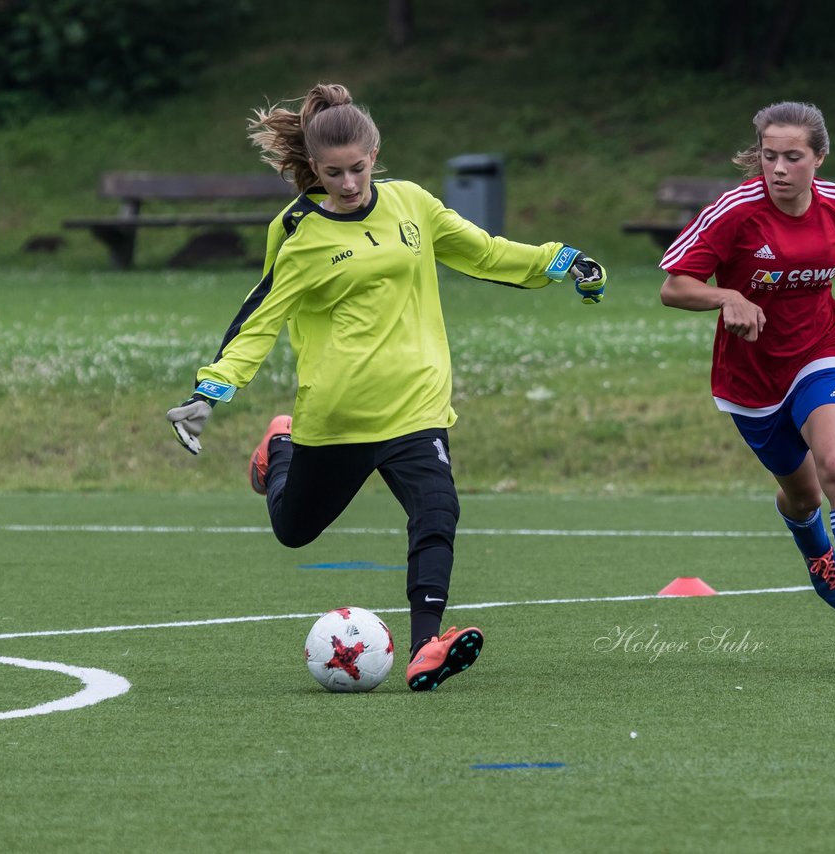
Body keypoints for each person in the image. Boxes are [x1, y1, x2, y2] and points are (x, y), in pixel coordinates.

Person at [165, 82, 607, 690]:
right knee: (294, 532)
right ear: (313, 169)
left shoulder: (412, 205)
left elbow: (484, 253)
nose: (347, 184)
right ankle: (282, 447)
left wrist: (561, 260)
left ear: (375, 153)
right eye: (332, 173)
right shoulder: (299, 232)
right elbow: (258, 319)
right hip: (338, 415)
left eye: (357, 169)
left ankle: (427, 646)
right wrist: (210, 392)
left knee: (438, 509)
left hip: (415, 406)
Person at [658, 101, 835, 659]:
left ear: (818, 157)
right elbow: (674, 287)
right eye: (769, 155)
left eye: (793, 157)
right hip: (750, 375)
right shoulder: (734, 211)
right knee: (803, 495)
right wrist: (727, 295)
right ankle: (812, 541)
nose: (778, 168)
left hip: (824, 350)